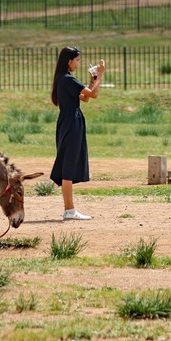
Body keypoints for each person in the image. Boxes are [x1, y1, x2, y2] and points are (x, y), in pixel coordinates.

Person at [50, 46, 104, 220]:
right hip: (71, 123)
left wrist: (92, 79)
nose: (78, 64)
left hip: (70, 121)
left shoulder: (64, 79)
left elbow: (86, 98)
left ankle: (69, 209)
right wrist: (101, 75)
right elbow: (94, 95)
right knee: (68, 166)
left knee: (69, 164)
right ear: (69, 61)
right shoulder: (67, 79)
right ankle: (70, 210)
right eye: (77, 60)